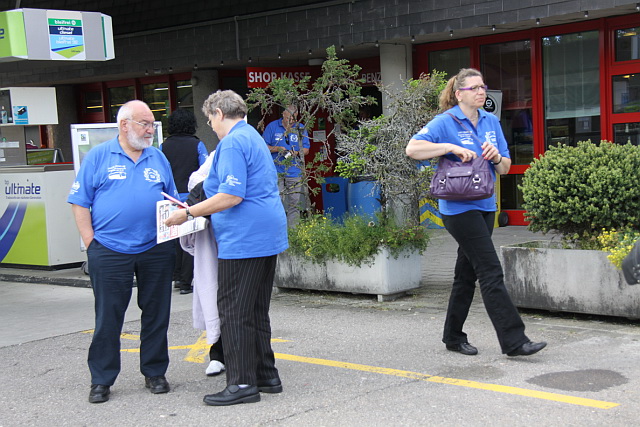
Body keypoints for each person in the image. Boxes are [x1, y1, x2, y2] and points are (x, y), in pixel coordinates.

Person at [405, 68, 547, 358]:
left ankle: (453, 336)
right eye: (475, 88)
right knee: (490, 271)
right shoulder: (445, 121)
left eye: (483, 87)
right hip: (458, 209)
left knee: (466, 275)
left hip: (485, 206)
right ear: (459, 94)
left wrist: (495, 157)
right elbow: (413, 149)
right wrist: (448, 147)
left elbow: (505, 168)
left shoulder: (490, 121)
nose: (481, 91)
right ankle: (514, 341)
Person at [165, 90, 288, 406]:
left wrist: (188, 213)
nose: (211, 126)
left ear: (219, 113)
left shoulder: (232, 142)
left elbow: (232, 195)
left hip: (243, 237)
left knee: (234, 310)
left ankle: (242, 382)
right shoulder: (252, 135)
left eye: (210, 120)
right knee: (256, 309)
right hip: (265, 233)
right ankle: (266, 375)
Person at [68, 100, 179, 403]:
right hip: (109, 249)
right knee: (108, 317)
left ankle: (155, 372)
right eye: (144, 124)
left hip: (155, 248)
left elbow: (171, 198)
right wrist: (91, 242)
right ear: (124, 125)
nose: (150, 130)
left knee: (157, 313)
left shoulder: (158, 157)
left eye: (152, 124)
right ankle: (101, 379)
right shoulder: (99, 156)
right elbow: (79, 202)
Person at [179, 153, 225, 377]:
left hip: (240, 239)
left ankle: (245, 355)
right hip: (212, 235)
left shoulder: (248, 149)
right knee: (214, 293)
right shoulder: (217, 154)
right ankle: (217, 354)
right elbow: (195, 181)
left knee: (240, 301)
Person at [161, 108, 208, 295]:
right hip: (191, 198)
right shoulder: (197, 145)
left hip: (170, 197)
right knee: (190, 239)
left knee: (173, 238)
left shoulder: (163, 146)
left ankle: (176, 276)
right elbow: (205, 172)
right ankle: (186, 282)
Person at [262, 105, 310, 226]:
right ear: (283, 114)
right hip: (276, 171)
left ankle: (292, 232)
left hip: (295, 171)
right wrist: (277, 149)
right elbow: (263, 147)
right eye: (288, 118)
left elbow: (306, 149)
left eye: (294, 118)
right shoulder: (272, 126)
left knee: (295, 203)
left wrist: (296, 152)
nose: (291, 121)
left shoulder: (300, 128)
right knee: (276, 201)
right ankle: (278, 228)